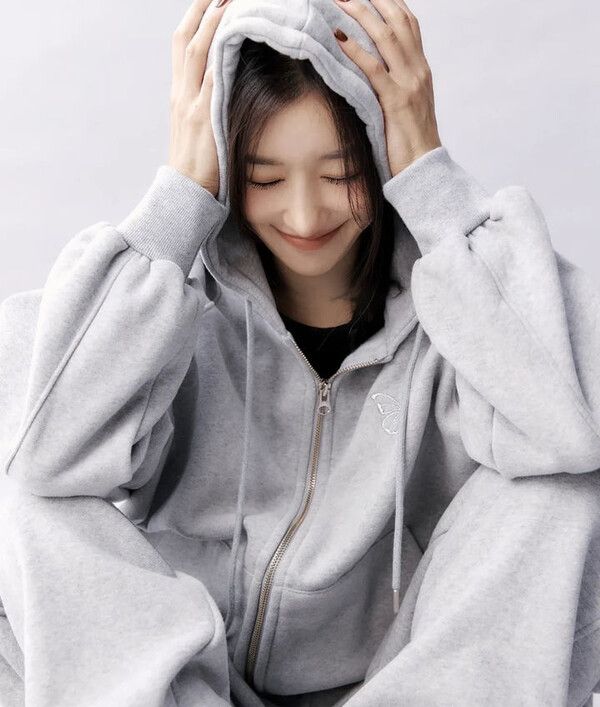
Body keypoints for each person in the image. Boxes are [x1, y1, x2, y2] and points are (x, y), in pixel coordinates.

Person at [1, 0, 600, 704]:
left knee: (569, 486)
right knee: (24, 477)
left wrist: (432, 183)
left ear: (382, 155)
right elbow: (42, 448)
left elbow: (572, 429)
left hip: (398, 685)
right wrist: (177, 201)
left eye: (341, 172)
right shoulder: (166, 313)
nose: (306, 215)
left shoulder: (468, 307)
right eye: (264, 178)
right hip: (192, 688)